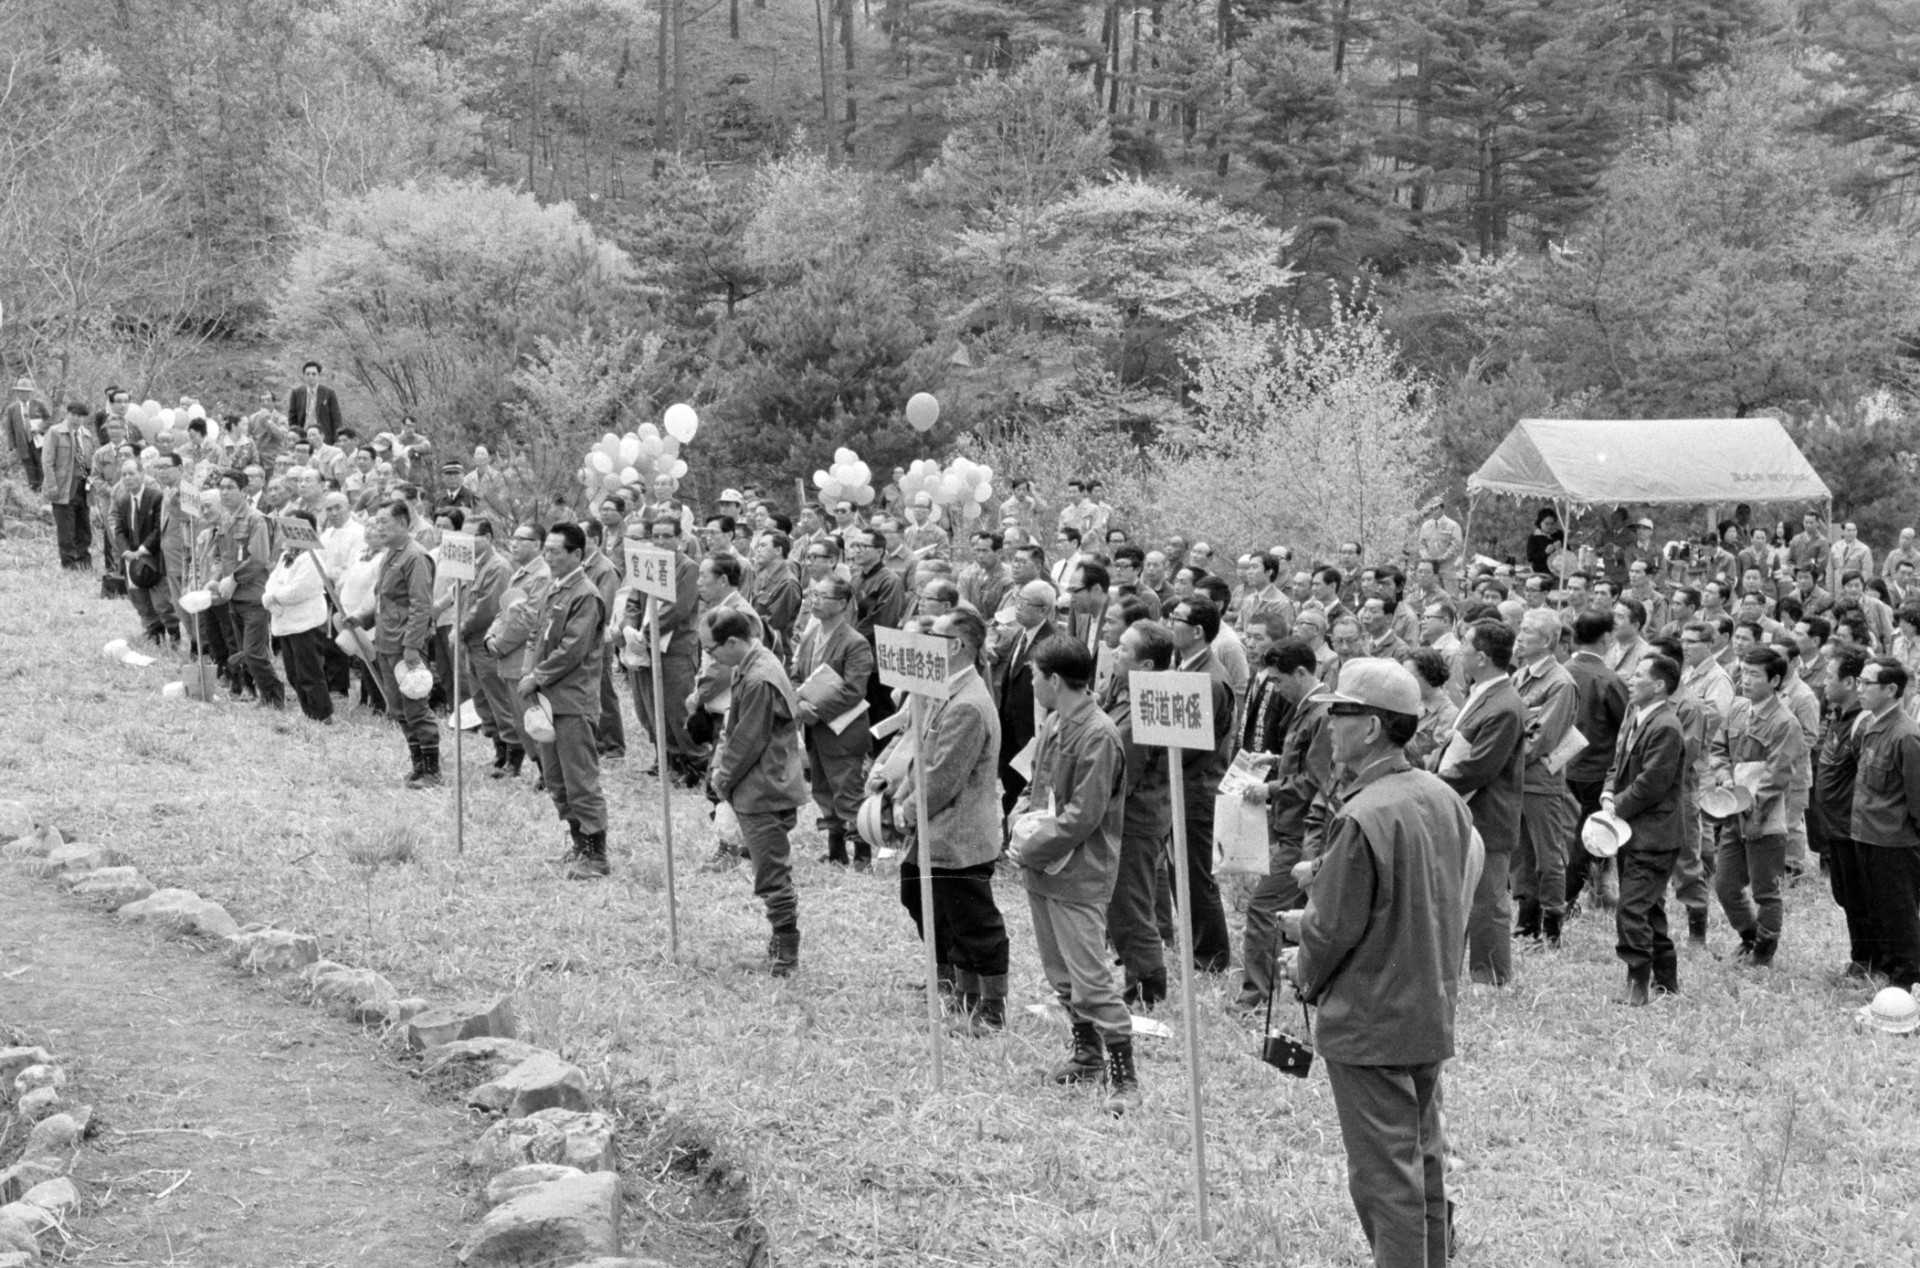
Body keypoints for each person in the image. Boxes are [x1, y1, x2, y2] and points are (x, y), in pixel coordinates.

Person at [1284, 657, 1470, 1268]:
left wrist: (1301, 964)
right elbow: (1442, 884)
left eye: (1338, 714)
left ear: (1369, 727)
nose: (1329, 727)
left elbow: (1334, 927)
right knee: (1425, 1159)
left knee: (1384, 1178)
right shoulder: (1441, 796)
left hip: (1371, 1018)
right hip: (1427, 1005)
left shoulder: (1364, 812)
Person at [1010, 638, 1139, 1109]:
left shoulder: (1098, 734)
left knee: (1091, 976)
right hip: (1043, 865)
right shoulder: (1054, 724)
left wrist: (1032, 846)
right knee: (1060, 971)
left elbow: (1085, 813)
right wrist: (1020, 817)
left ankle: (1124, 1075)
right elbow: (1039, 785)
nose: (1032, 682)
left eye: (1034, 675)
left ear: (1055, 680)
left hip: (1078, 870)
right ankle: (1086, 1054)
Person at [885, 610, 1011, 1032]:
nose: (925, 643)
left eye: (935, 636)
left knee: (974, 923)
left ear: (956, 646)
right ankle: (962, 991)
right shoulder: (946, 692)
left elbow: (944, 776)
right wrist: (901, 795)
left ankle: (989, 1009)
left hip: (958, 835)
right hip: (936, 830)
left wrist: (907, 810)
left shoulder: (969, 704)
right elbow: (923, 755)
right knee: (927, 904)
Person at [703, 607, 809, 975]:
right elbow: (732, 729)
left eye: (711, 649)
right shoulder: (748, 665)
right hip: (758, 784)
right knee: (770, 869)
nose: (709, 657)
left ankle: (785, 953)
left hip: (764, 788)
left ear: (732, 641)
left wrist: (721, 778)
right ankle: (780, 945)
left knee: (771, 872)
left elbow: (747, 738)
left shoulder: (759, 677)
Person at [1232, 638, 1334, 1013]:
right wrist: (1273, 760)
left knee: (1264, 907)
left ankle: (1256, 996)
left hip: (1304, 831)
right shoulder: (1306, 710)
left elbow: (1317, 781)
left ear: (1302, 673)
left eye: (1278, 680)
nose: (1274, 688)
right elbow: (1303, 762)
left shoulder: (1321, 714)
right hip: (1293, 827)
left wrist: (1270, 788)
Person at [517, 521, 611, 878]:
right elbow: (537, 636)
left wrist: (537, 676)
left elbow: (574, 649)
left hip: (572, 700)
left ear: (577, 554)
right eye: (547, 550)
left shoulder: (585, 594)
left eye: (556, 551)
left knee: (580, 779)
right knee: (556, 779)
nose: (549, 557)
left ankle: (596, 854)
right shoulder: (554, 589)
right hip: (547, 699)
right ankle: (577, 843)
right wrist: (530, 673)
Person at [1439, 619, 1529, 985]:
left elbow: (1481, 766)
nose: (1458, 654)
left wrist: (1433, 784)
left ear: (1480, 657)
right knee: (1464, 896)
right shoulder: (1482, 694)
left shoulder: (1504, 704)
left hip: (1488, 815)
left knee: (1488, 901)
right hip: (1469, 812)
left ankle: (1490, 975)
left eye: (1464, 648)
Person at [1709, 646, 1807, 966]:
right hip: (1734, 810)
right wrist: (1723, 776)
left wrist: (1756, 814)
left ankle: (1764, 954)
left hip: (1765, 816)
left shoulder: (1784, 722)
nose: (1745, 679)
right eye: (1743, 671)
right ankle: (1749, 936)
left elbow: (1777, 775)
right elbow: (1719, 749)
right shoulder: (1738, 710)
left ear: (1775, 680)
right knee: (1725, 884)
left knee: (1765, 889)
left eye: (1753, 674)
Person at [1602, 655, 1688, 1003]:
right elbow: (1618, 762)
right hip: (1632, 829)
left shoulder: (1666, 725)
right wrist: (1609, 791)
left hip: (1654, 834)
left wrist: (1616, 805)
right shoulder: (1636, 716)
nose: (1630, 679)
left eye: (1639, 675)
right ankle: (1666, 981)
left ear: (1660, 685)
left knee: (1632, 907)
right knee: (1649, 907)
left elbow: (1653, 782)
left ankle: (1638, 983)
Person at [1104, 618, 1176, 1010]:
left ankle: (1147, 992)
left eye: (1125, 649)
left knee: (1130, 909)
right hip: (1133, 819)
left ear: (1146, 666)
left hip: (1134, 822)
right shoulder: (1125, 694)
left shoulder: (1145, 708)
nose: (1115, 651)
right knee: (1128, 905)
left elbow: (1122, 775)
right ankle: (1137, 982)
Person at [1168, 595, 1236, 973]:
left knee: (1195, 873)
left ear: (1197, 631)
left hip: (1195, 789)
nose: (1169, 623)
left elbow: (1196, 744)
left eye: (1176, 619)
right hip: (1182, 785)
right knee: (1182, 870)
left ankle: (1211, 954)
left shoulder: (1209, 680)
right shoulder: (1186, 668)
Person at [791, 575, 875, 869]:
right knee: (823, 793)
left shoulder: (855, 643)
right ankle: (835, 850)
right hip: (815, 730)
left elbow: (854, 690)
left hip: (843, 732)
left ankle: (863, 855)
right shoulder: (811, 636)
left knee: (849, 795)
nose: (815, 601)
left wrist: (815, 709)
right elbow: (796, 674)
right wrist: (799, 702)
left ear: (841, 604)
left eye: (822, 596)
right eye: (813, 594)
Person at [1847, 657, 1920, 989]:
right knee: (1877, 909)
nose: (1859, 689)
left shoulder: (1906, 735)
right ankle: (1888, 969)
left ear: (1891, 689)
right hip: (1867, 833)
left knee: (1899, 913)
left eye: (1866, 683)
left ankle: (1908, 978)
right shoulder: (1873, 725)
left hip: (1894, 840)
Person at [1511, 608, 1579, 947]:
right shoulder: (1520, 675)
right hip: (1517, 779)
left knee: (1548, 855)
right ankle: (1527, 920)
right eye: (1520, 630)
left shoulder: (1560, 682)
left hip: (1540, 780)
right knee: (1521, 853)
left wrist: (1503, 759)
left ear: (1548, 641)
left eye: (1528, 632)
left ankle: (1553, 924)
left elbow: (1541, 739)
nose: (1520, 637)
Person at [357, 499, 439, 783]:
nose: (378, 527)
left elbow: (420, 606)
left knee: (416, 706)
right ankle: (417, 764)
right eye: (376, 521)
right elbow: (384, 600)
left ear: (404, 524)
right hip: (385, 643)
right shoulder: (390, 555)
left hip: (405, 646)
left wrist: (412, 647)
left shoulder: (415, 557)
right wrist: (361, 619)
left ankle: (432, 769)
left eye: (385, 522)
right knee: (399, 708)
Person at [625, 517, 705, 786]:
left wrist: (646, 636)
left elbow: (678, 610)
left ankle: (695, 763)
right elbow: (634, 600)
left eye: (666, 536)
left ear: (679, 538)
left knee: (678, 708)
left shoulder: (688, 568)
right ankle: (668, 758)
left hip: (675, 648)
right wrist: (630, 630)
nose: (660, 541)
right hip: (645, 647)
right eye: (656, 536)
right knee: (650, 708)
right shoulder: (647, 560)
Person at [1564, 612, 1628, 914]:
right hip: (1596, 770)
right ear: (1606, 639)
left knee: (1571, 834)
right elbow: (1627, 725)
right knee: (1591, 837)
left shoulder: (1563, 671)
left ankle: (1596, 892)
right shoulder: (1608, 679)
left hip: (1563, 767)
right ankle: (1565, 898)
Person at [1815, 647, 1870, 977]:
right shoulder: (1839, 716)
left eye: (1829, 677)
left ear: (1850, 682)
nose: (1823, 683)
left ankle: (1865, 960)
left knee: (1860, 899)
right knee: (1845, 895)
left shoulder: (1862, 725)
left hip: (1854, 830)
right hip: (1834, 828)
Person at [211, 469, 287, 709]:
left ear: (244, 491)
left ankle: (275, 696)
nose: (224, 492)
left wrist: (233, 578)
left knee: (254, 652)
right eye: (221, 487)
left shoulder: (256, 519)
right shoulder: (225, 518)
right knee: (245, 652)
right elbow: (221, 554)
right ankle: (264, 696)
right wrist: (217, 578)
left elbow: (258, 558)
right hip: (233, 597)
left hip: (253, 595)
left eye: (230, 487)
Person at [484, 524, 554, 781]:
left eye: (521, 539)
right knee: (520, 718)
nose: (513, 544)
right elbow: (506, 611)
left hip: (523, 658)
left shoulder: (542, 576)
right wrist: (490, 636)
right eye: (512, 538)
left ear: (537, 544)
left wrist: (500, 643)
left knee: (533, 717)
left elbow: (529, 618)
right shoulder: (522, 573)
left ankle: (548, 772)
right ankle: (541, 769)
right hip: (509, 656)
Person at [992, 579, 1061, 817]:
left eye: (1024, 603)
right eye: (1017, 600)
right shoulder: (1019, 634)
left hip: (1033, 730)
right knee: (1010, 786)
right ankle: (1008, 837)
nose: (1017, 606)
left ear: (1044, 610)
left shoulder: (1053, 642)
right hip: (1011, 726)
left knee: (1028, 791)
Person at [261, 508, 334, 722]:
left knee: (309, 673)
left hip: (306, 622)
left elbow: (298, 590)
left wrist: (273, 596)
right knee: (293, 673)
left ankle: (322, 715)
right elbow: (272, 581)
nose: (288, 530)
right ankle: (307, 712)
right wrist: (269, 597)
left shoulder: (314, 555)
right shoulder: (288, 553)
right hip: (285, 622)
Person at [457, 520, 513, 771]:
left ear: (488, 537)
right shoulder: (473, 565)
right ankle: (499, 749)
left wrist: (461, 628)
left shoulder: (497, 567)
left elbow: (487, 608)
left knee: (498, 699)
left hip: (486, 642)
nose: (467, 541)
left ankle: (514, 754)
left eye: (472, 536)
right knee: (482, 700)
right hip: (472, 642)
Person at [111, 457, 178, 645]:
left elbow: (159, 527)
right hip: (131, 559)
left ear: (142, 474)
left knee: (162, 601)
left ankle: (174, 633)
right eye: (124, 474)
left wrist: (142, 550)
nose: (127, 478)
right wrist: (126, 552)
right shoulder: (123, 500)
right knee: (140, 599)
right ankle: (154, 632)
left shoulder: (155, 497)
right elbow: (119, 530)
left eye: (132, 473)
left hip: (153, 556)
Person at [44, 403, 95, 570]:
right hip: (63, 486)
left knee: (84, 527)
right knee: (66, 529)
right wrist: (52, 486)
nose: (75, 418)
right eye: (72, 414)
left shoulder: (86, 435)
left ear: (84, 418)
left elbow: (90, 463)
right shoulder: (55, 432)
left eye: (80, 416)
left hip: (82, 487)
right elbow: (47, 461)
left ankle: (84, 561)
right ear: (68, 414)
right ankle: (69, 563)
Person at [286, 360, 342, 445]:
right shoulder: (296, 393)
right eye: (307, 374)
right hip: (303, 436)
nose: (310, 377)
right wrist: (295, 434)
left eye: (313, 374)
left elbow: (336, 418)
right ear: (304, 376)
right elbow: (292, 417)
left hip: (323, 437)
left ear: (319, 375)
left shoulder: (328, 393)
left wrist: (337, 439)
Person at [4, 376, 43, 490]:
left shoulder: (38, 405)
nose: (24, 394)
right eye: (21, 391)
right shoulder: (12, 408)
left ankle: (42, 487)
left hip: (38, 441)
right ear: (17, 392)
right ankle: (34, 488)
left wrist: (41, 429)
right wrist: (11, 446)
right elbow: (9, 428)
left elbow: (48, 420)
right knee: (29, 465)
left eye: (27, 392)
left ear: (30, 393)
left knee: (41, 463)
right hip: (22, 442)